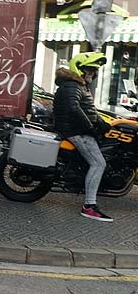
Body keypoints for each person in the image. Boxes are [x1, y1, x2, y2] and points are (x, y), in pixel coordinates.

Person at [53, 52, 113, 222]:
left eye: (94, 71)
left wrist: (102, 123)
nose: (92, 74)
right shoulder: (73, 85)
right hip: (76, 132)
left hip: (77, 130)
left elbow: (87, 109)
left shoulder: (78, 85)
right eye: (90, 70)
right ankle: (89, 206)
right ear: (79, 69)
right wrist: (91, 127)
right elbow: (74, 108)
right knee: (98, 163)